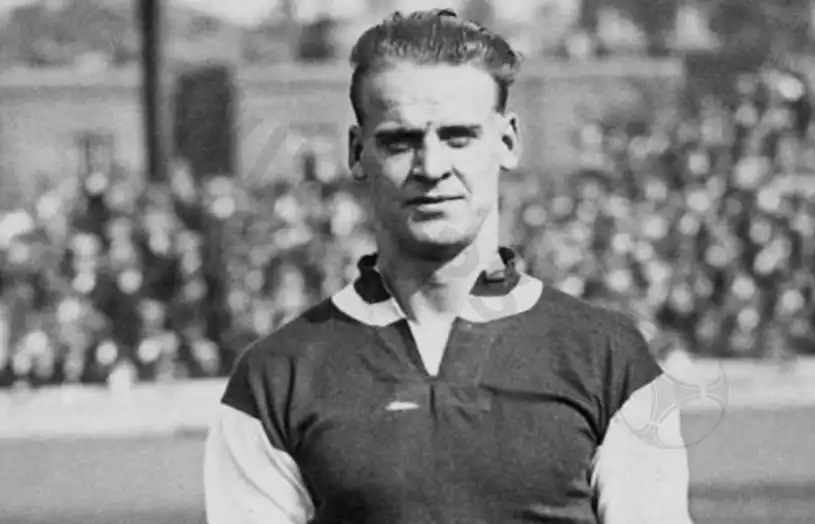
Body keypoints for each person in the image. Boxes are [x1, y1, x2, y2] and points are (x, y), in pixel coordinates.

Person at [204, 9, 694, 524]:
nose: (432, 167)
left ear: (507, 142)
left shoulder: (610, 359)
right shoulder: (275, 377)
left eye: (459, 137)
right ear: (357, 151)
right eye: (400, 141)